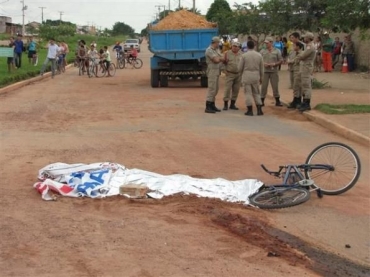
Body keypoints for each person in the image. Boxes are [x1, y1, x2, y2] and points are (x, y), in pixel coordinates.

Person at [238, 40, 264, 116]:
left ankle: (250, 110)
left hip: (247, 75)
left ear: (247, 46)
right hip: (256, 75)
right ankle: (259, 110)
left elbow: (239, 68)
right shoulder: (259, 55)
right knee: (256, 93)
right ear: (254, 46)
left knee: (248, 93)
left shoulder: (244, 56)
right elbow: (262, 68)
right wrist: (261, 78)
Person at [260, 36, 283, 107]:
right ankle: (262, 101)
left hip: (274, 71)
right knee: (264, 86)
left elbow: (281, 60)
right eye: (265, 43)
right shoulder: (262, 51)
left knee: (275, 86)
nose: (266, 44)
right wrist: (264, 64)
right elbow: (259, 61)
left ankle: (277, 100)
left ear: (271, 43)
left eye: (267, 43)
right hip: (265, 71)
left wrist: (275, 64)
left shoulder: (277, 51)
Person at [204, 36, 225, 114]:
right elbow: (216, 60)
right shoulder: (209, 50)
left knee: (216, 89)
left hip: (217, 71)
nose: (218, 44)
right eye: (218, 42)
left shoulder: (216, 50)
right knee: (212, 89)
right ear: (215, 42)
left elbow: (221, 57)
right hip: (212, 71)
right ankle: (208, 106)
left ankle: (212, 104)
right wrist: (220, 58)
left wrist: (220, 58)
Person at [296, 32, 316, 112]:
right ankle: (304, 101)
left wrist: (299, 54)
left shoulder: (310, 46)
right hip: (304, 67)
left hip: (307, 67)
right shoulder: (308, 46)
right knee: (303, 84)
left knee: (306, 85)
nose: (304, 39)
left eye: (305, 37)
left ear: (308, 38)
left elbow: (302, 56)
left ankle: (307, 103)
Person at [222, 41, 242, 110]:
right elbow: (222, 63)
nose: (235, 48)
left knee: (236, 90)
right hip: (230, 73)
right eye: (234, 46)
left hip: (238, 74)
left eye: (237, 46)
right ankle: (225, 104)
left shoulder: (241, 54)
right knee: (227, 89)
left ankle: (232, 104)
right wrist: (224, 71)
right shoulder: (227, 53)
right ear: (231, 46)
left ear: (239, 48)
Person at [287, 41, 304, 109]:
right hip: (293, 70)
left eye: (295, 46)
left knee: (298, 86)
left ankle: (298, 101)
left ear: (298, 47)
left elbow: (295, 60)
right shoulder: (293, 52)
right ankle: (295, 100)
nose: (293, 47)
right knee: (294, 86)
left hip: (298, 71)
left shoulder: (301, 53)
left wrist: (290, 61)